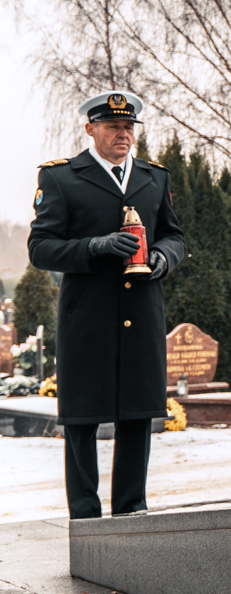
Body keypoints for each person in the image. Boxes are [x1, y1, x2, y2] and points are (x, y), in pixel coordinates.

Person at [28, 90, 186, 519]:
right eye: (114, 126)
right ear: (90, 129)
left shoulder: (155, 177)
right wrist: (94, 246)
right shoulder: (62, 178)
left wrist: (163, 257)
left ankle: (132, 511)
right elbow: (40, 249)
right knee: (83, 418)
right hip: (88, 317)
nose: (123, 134)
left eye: (129, 126)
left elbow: (174, 235)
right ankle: (84, 517)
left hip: (143, 313)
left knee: (138, 415)